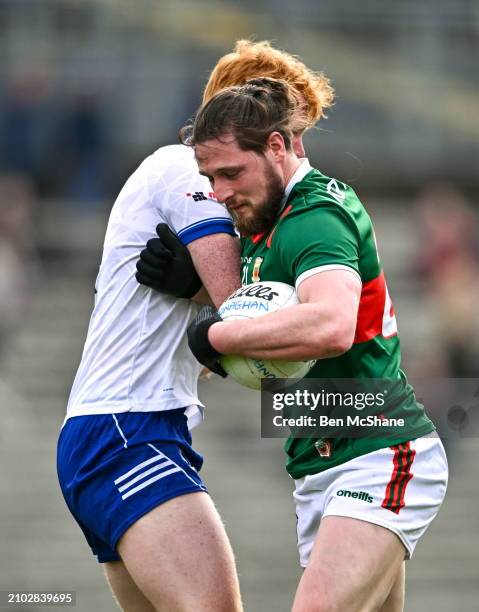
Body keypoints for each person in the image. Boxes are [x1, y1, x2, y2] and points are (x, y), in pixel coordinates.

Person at [146, 78, 448, 612]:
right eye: (209, 178)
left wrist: (213, 334)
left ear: (277, 148)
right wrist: (193, 288)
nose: (219, 193)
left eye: (231, 173)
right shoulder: (266, 218)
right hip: (317, 463)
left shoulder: (315, 216)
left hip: (378, 452)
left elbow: (331, 326)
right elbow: (274, 312)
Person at [57, 41, 334, 612]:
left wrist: (201, 298)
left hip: (128, 427)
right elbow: (243, 313)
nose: (298, 151)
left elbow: (234, 345)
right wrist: (217, 297)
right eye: (285, 126)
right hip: (125, 429)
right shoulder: (185, 171)